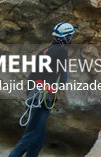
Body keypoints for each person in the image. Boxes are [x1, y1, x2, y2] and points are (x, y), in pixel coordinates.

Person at [9, 23, 76, 157]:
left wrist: (29, 97)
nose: (71, 38)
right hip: (42, 98)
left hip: (34, 96)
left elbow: (32, 76)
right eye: (70, 36)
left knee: (38, 140)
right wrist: (59, 89)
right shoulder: (61, 51)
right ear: (66, 37)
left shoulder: (43, 52)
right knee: (30, 136)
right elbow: (63, 74)